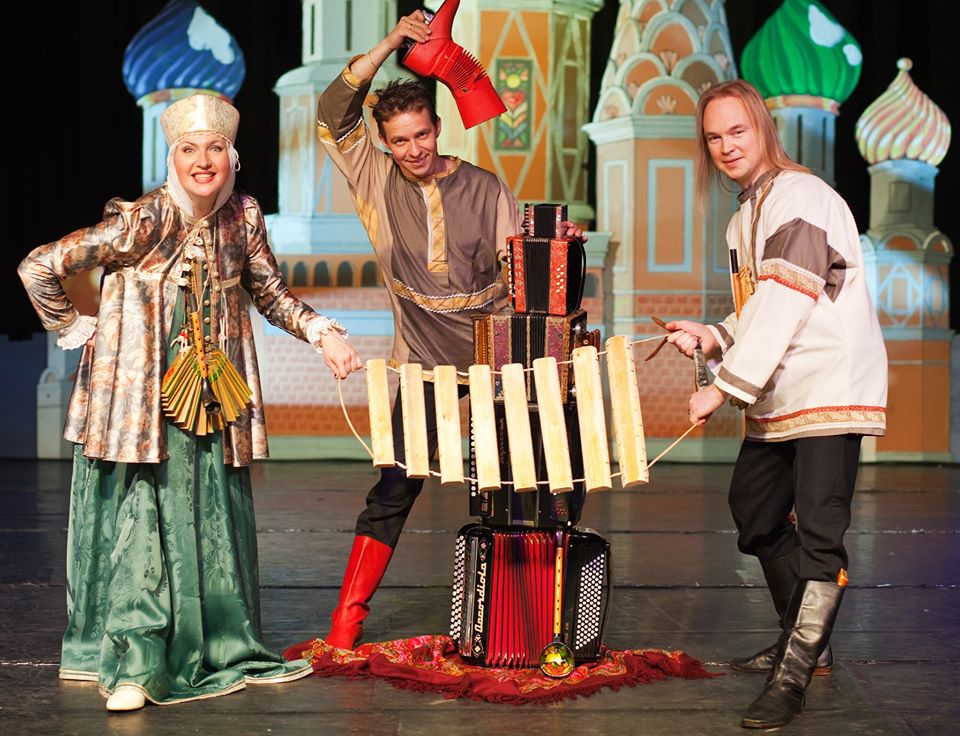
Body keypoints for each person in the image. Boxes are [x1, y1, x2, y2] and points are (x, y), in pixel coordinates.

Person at [18, 93, 363, 711]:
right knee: (143, 515)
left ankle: (218, 643)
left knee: (210, 513)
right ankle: (138, 660)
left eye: (214, 149)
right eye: (188, 149)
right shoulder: (142, 220)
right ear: (172, 158)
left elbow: (269, 292)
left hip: (208, 393)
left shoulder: (243, 216)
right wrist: (74, 326)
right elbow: (39, 266)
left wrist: (321, 333)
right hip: (142, 400)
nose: (203, 161)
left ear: (233, 156)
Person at [312, 11, 581, 651]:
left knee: (518, 489)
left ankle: (524, 627)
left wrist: (555, 250)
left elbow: (521, 274)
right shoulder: (373, 177)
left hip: (498, 364)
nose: (414, 149)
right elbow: (332, 110)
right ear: (384, 142)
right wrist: (391, 42)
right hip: (424, 362)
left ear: (437, 127)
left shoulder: (484, 187)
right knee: (394, 486)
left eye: (422, 134)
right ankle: (346, 624)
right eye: (400, 140)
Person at [664, 80, 887, 729]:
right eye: (714, 136)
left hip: (826, 384)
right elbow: (763, 303)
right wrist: (714, 334)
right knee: (756, 509)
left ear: (762, 127)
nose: (726, 145)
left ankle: (793, 676)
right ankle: (803, 642)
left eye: (737, 130)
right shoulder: (744, 215)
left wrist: (722, 387)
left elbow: (789, 301)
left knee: (819, 534)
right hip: (783, 385)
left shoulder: (801, 196)